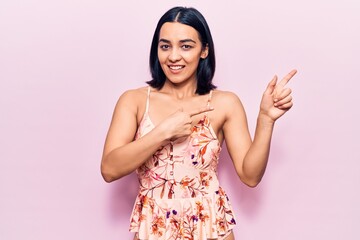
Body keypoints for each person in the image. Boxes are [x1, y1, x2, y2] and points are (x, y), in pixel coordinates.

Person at [101, 6, 297, 240]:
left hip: (211, 229)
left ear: (204, 50)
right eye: (165, 46)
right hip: (154, 230)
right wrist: (163, 132)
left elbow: (250, 176)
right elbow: (109, 169)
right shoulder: (133, 101)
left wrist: (265, 119)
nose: (174, 56)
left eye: (186, 46)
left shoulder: (224, 103)